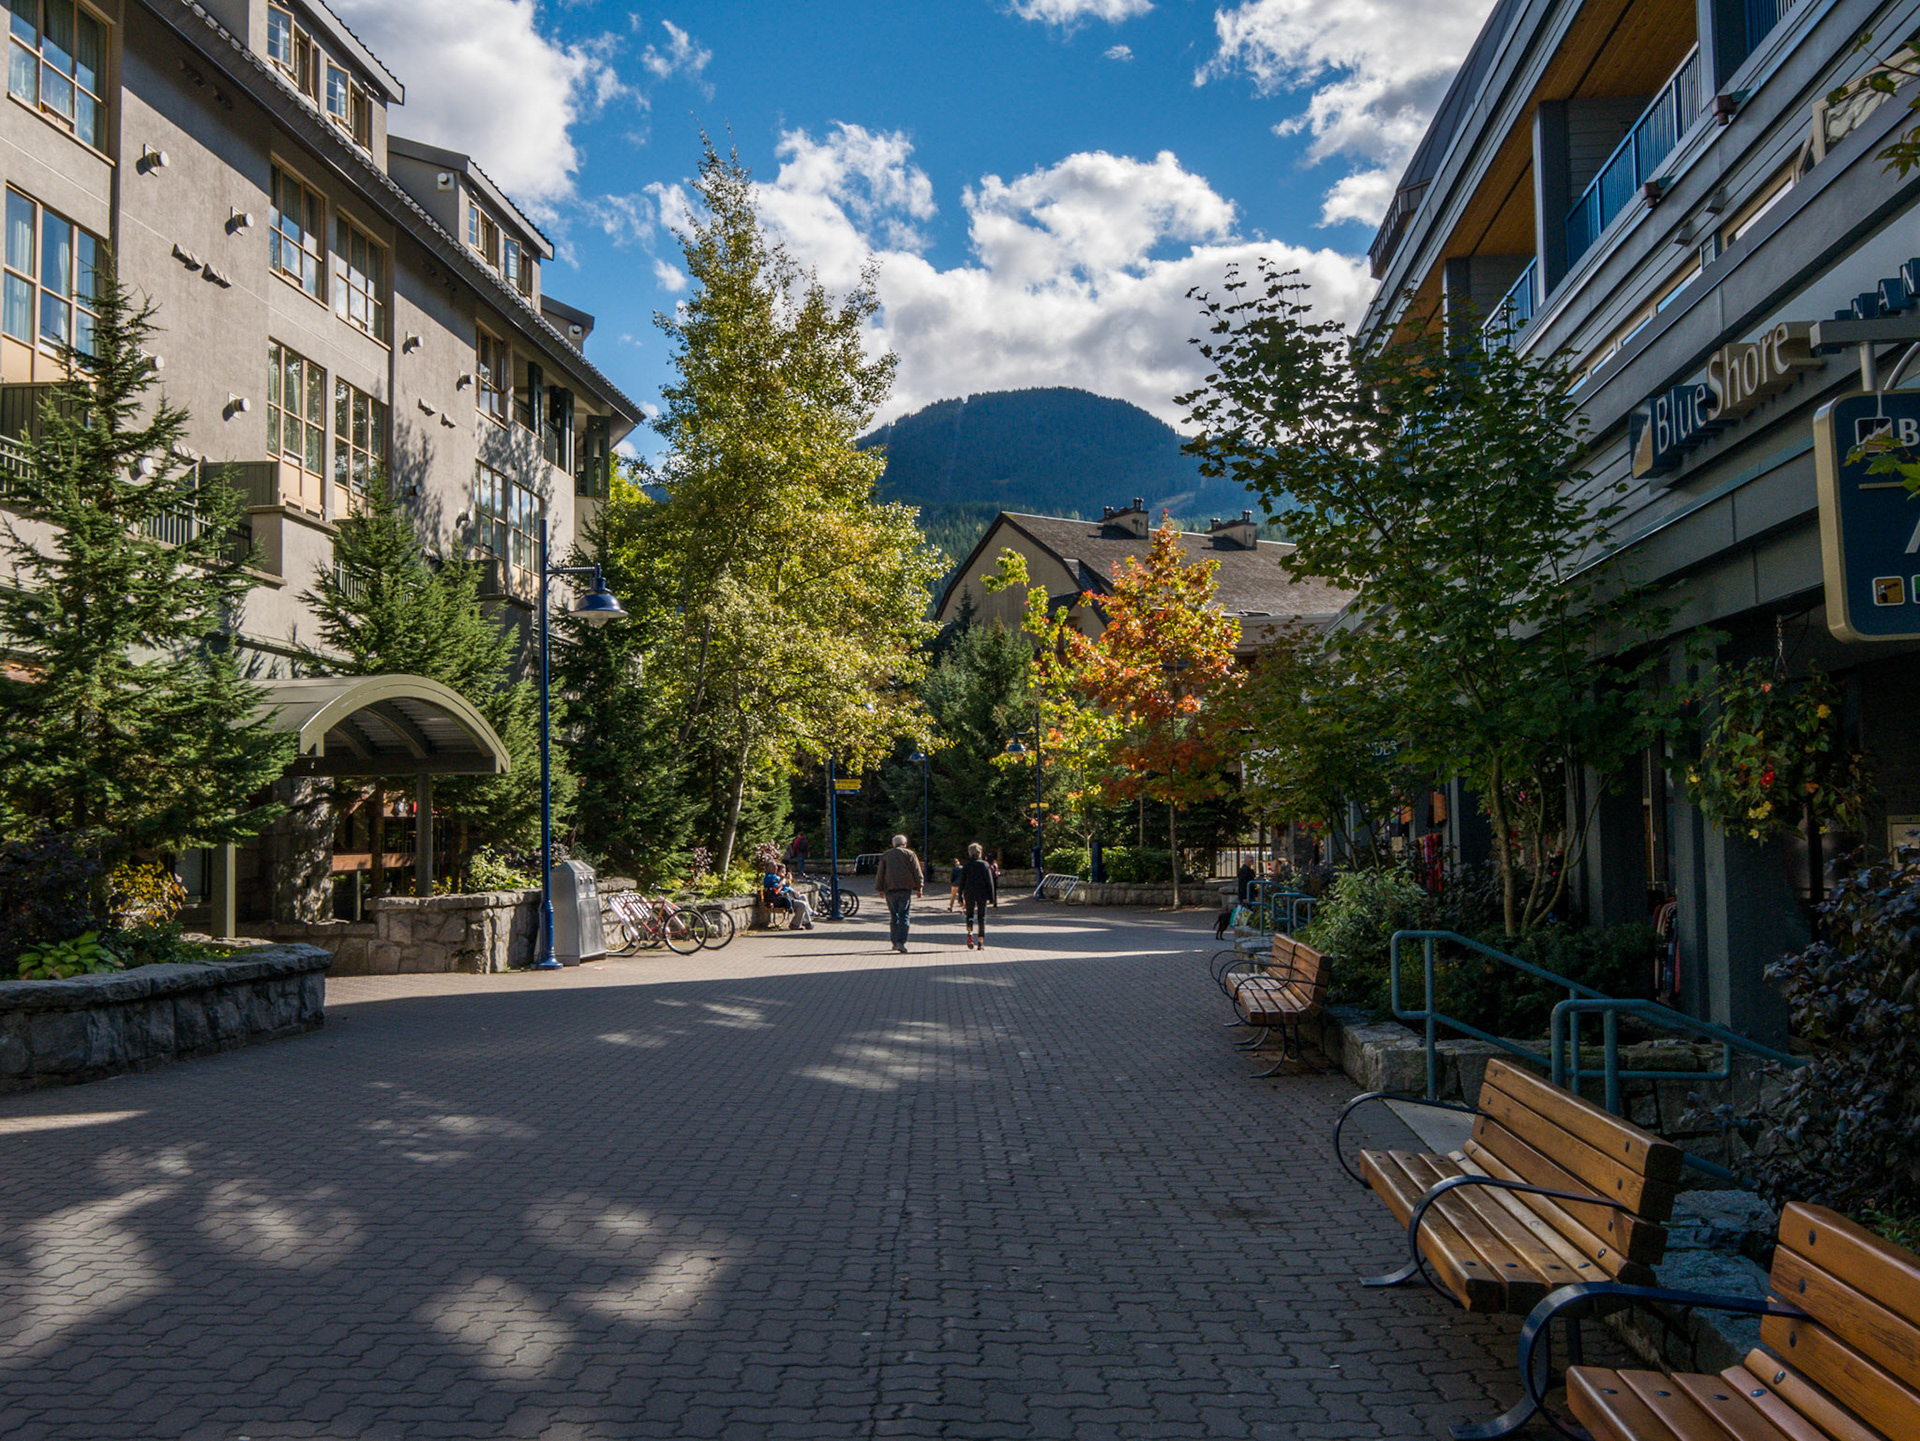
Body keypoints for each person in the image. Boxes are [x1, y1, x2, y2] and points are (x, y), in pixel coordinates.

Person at [874, 833, 924, 953]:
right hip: (905, 889)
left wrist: (879, 888)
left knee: (894, 916)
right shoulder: (910, 854)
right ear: (905, 844)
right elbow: (917, 871)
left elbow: (880, 873)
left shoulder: (886, 855)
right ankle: (901, 942)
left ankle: (894, 941)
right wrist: (919, 887)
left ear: (893, 844)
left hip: (890, 889)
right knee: (904, 915)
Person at [959, 842, 997, 950]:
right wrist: (992, 898)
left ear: (970, 853)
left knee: (969, 915)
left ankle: (970, 933)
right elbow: (989, 882)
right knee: (982, 917)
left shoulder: (966, 865)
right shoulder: (984, 865)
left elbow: (961, 882)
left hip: (969, 892)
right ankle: (980, 941)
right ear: (979, 853)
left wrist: (960, 896)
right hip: (982, 893)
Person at [762, 864, 814, 930]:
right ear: (769, 868)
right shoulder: (770, 877)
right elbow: (777, 889)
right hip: (779, 900)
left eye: (776, 868)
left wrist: (786, 880)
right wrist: (782, 880)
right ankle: (796, 924)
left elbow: (784, 887)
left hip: (783, 897)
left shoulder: (775, 877)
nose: (775, 869)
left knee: (802, 899)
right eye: (773, 868)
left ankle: (806, 922)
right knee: (802, 905)